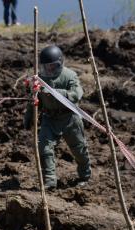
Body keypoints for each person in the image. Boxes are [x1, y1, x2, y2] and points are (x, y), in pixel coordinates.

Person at [24, 45, 91, 189]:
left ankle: (85, 176)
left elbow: (77, 94)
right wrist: (29, 117)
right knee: (44, 147)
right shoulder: (40, 79)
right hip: (49, 119)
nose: (49, 69)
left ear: (60, 63)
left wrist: (56, 92)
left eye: (52, 66)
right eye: (45, 67)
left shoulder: (70, 75)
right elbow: (34, 100)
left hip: (70, 118)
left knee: (79, 149)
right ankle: (49, 180)